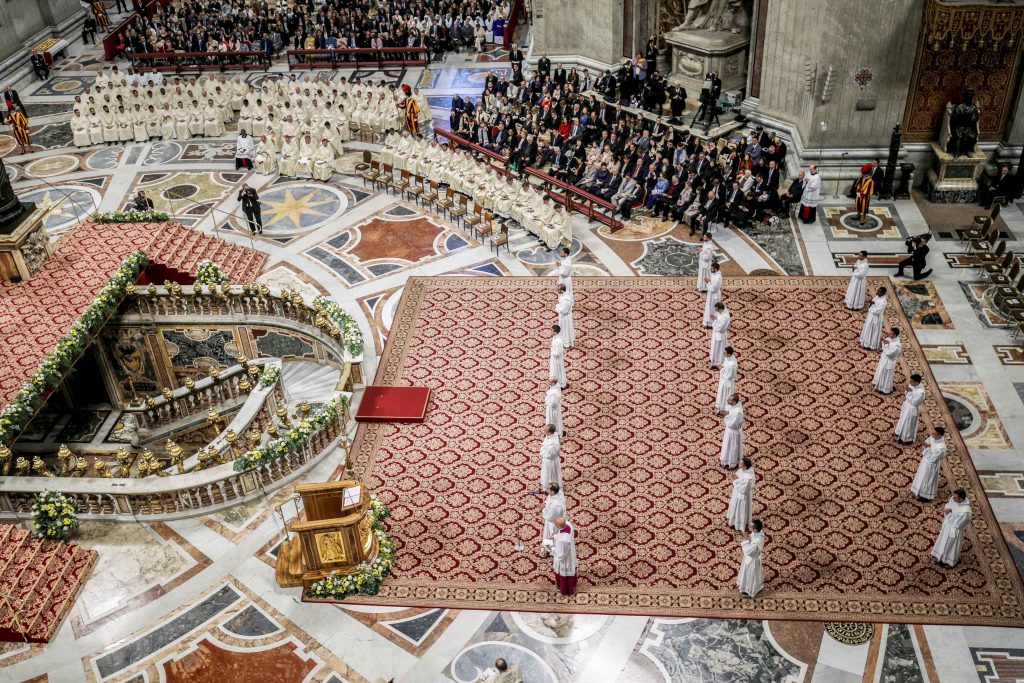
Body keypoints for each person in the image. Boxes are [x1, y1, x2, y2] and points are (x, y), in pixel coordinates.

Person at [931, 489, 970, 567]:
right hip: (947, 526)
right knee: (942, 541)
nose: (953, 498)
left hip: (954, 530)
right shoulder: (953, 499)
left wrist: (951, 514)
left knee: (950, 545)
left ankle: (947, 560)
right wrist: (946, 511)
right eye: (953, 496)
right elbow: (948, 505)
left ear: (961, 499)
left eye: (955, 498)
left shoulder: (965, 511)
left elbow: (959, 523)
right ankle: (939, 555)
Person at [911, 427, 947, 501]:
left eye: (934, 433)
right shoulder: (933, 437)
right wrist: (926, 445)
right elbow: (927, 442)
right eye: (933, 432)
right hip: (925, 461)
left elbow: (932, 458)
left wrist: (928, 447)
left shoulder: (941, 448)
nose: (932, 434)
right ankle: (916, 490)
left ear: (939, 435)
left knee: (927, 480)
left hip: (931, 465)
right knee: (920, 476)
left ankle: (924, 496)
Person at [550, 517, 577, 595]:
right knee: (570, 572)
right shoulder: (568, 525)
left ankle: (566, 590)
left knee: (564, 574)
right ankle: (572, 585)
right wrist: (554, 536)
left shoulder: (563, 540)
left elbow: (561, 554)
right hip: (570, 553)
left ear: (558, 526)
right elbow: (561, 535)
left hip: (565, 559)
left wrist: (552, 549)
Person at [727, 457, 755, 532]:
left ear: (745, 466)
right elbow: (739, 474)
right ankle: (733, 519)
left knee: (740, 510)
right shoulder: (744, 469)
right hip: (737, 493)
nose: (738, 463)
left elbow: (743, 490)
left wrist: (735, 480)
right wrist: (736, 477)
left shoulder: (748, 478)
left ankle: (739, 524)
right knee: (734, 506)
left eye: (740, 463)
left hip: (741, 497)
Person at [895, 374, 925, 444]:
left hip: (912, 409)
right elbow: (907, 393)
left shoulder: (921, 393)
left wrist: (910, 392)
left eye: (911, 381)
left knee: (908, 424)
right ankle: (899, 432)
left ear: (917, 382)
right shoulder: (912, 385)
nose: (910, 383)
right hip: (907, 406)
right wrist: (908, 391)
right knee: (902, 419)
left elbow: (914, 402)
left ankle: (907, 439)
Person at [737, 519, 764, 597]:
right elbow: (753, 537)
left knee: (750, 574)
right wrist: (749, 537)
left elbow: (749, 552)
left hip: (752, 560)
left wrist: (745, 539)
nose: (748, 527)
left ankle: (749, 590)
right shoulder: (759, 531)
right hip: (753, 556)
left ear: (755, 529)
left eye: (750, 526)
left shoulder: (757, 540)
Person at [872, 327, 902, 394]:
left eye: (890, 333)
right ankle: (877, 383)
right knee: (880, 371)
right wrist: (884, 342)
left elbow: (888, 353)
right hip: (884, 359)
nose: (888, 334)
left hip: (889, 361)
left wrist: (886, 344)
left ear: (894, 335)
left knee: (885, 375)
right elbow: (886, 343)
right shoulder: (890, 339)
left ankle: (883, 388)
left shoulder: (897, 346)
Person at [719, 393, 743, 468]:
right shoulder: (730, 406)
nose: (727, 400)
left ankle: (731, 463)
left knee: (732, 448)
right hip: (728, 431)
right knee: (726, 446)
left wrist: (726, 415)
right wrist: (727, 414)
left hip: (733, 432)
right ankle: (725, 459)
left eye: (730, 400)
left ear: (734, 402)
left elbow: (731, 424)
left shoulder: (739, 413)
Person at [541, 482, 567, 548]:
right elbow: (550, 499)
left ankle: (549, 549)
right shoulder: (559, 493)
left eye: (548, 489)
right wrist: (545, 503)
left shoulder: (554, 506)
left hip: (554, 523)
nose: (546, 489)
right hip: (558, 518)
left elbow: (548, 517)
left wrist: (543, 509)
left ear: (552, 492)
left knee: (550, 536)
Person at [715, 346, 737, 414]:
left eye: (724, 353)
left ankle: (723, 409)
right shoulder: (730, 357)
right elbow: (725, 364)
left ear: (729, 354)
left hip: (727, 383)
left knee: (724, 396)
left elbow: (728, 376)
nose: (723, 354)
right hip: (724, 380)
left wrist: (721, 369)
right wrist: (722, 365)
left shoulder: (731, 365)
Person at [539, 424, 562, 489]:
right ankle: (545, 482)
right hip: (548, 459)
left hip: (550, 461)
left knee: (550, 474)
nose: (543, 430)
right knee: (545, 472)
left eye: (545, 430)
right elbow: (546, 442)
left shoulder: (553, 444)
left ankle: (552, 488)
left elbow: (549, 455)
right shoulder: (552, 434)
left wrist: (542, 450)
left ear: (549, 432)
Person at [709, 302, 730, 369]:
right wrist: (715, 318)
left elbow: (720, 328)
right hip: (716, 334)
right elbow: (717, 315)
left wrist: (714, 320)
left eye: (717, 310)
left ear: (720, 309)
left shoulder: (725, 318)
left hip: (720, 335)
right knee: (714, 347)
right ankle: (713, 359)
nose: (716, 311)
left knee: (719, 349)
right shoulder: (721, 311)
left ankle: (718, 363)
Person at [702, 261, 722, 327]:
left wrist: (708, 282)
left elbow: (713, 288)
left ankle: (711, 323)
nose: (710, 269)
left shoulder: (718, 278)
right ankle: (707, 321)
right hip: (711, 294)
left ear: (716, 269)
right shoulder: (714, 274)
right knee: (708, 307)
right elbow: (712, 282)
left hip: (714, 296)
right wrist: (709, 281)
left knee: (713, 309)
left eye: (712, 268)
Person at [556, 284, 575, 348]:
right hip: (566, 316)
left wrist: (557, 305)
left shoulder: (565, 300)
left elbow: (563, 310)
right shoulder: (566, 294)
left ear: (562, 290)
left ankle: (566, 344)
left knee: (565, 330)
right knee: (565, 329)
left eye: (558, 290)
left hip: (565, 318)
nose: (557, 291)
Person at [549, 324, 567, 389]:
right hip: (554, 358)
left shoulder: (558, 342)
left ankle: (559, 385)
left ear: (555, 332)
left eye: (552, 330)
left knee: (557, 372)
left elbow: (557, 353)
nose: (550, 331)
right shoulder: (555, 337)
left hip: (556, 360)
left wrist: (551, 349)